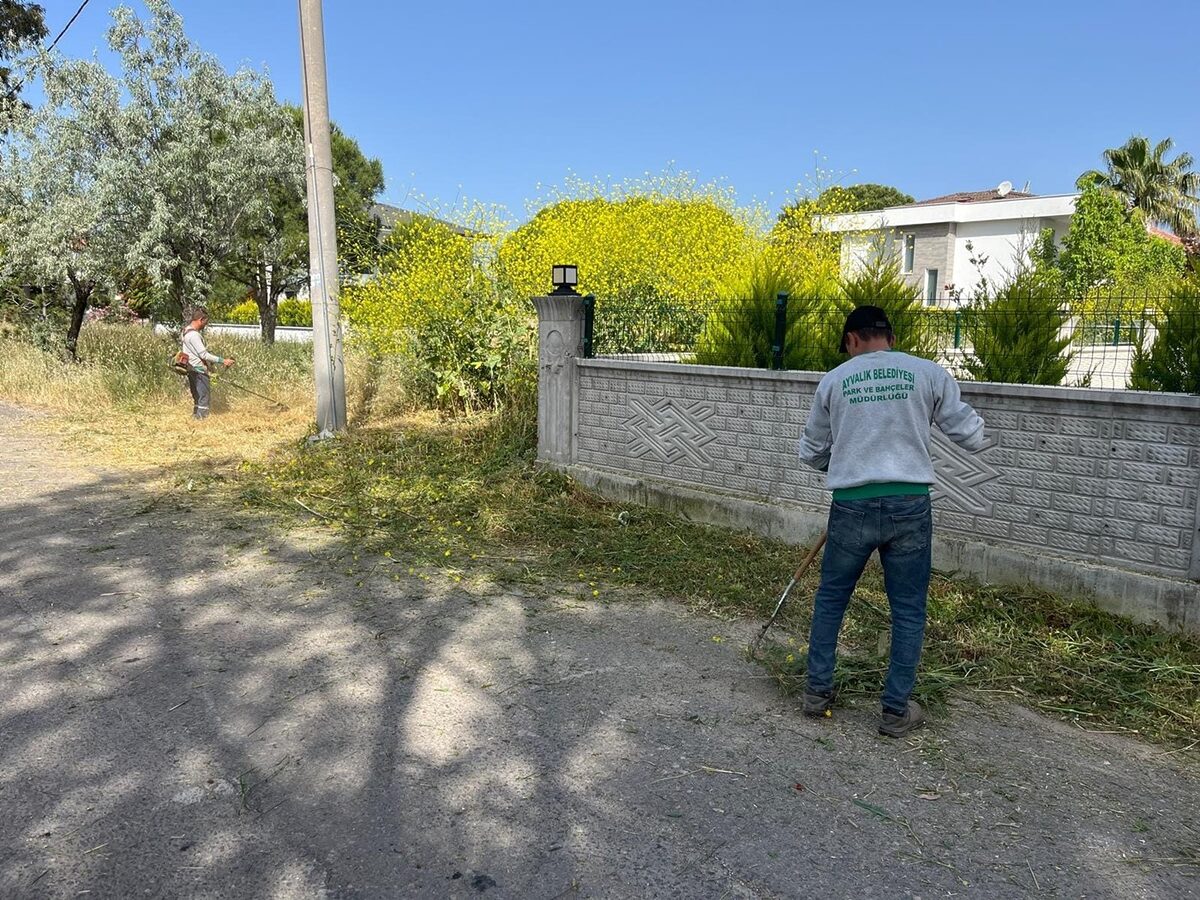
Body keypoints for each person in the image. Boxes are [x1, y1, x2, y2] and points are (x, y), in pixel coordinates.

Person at [797, 305, 985, 737]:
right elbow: (971, 435)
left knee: (831, 600)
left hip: (851, 505)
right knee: (907, 609)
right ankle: (896, 710)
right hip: (910, 506)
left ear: (851, 340)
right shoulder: (928, 373)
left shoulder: (834, 380)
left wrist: (845, 460)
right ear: (892, 339)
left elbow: (811, 452)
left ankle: (817, 691)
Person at [180, 305, 234, 420]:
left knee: (197, 397)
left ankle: (195, 417)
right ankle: (201, 420)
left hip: (191, 369)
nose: (206, 324)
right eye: (206, 322)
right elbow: (203, 355)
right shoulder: (194, 335)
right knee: (203, 397)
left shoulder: (186, 331)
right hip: (199, 371)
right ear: (201, 320)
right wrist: (223, 361)